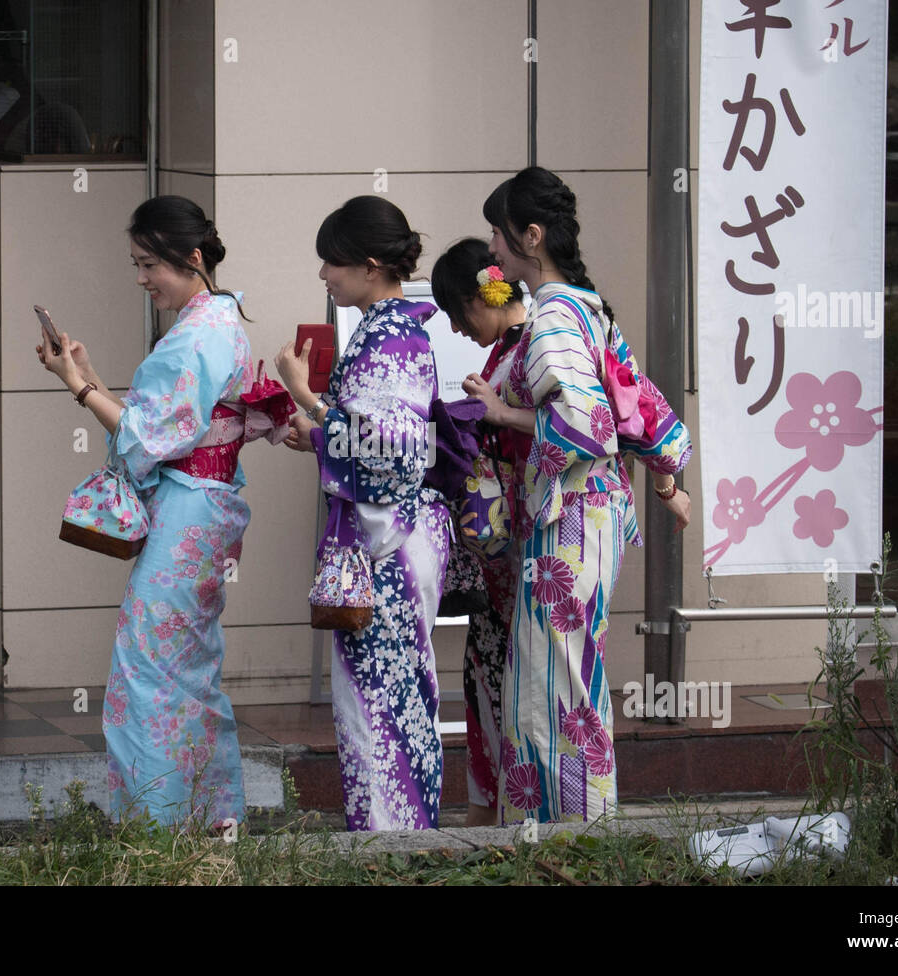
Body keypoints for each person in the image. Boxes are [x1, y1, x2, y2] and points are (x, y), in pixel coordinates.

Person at [38, 195, 267, 830]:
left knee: (150, 670)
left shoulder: (197, 335)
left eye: (149, 265)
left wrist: (78, 385)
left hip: (188, 511)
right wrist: (90, 376)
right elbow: (158, 427)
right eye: (137, 265)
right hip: (207, 507)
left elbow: (143, 441)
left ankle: (159, 825)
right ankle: (211, 821)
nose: (142, 279)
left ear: (192, 259)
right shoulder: (221, 322)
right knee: (187, 671)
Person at [476, 167, 693, 824]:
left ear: (532, 237)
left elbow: (582, 423)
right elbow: (636, 409)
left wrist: (503, 414)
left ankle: (573, 841)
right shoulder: (587, 306)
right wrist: (664, 481)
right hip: (594, 513)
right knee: (564, 681)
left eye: (499, 236)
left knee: (555, 688)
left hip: (567, 515)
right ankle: (569, 835)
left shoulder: (551, 316)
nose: (492, 252)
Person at [274, 196, 451, 831]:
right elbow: (376, 438)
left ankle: (390, 850)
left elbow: (392, 453)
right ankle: (401, 843)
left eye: (334, 264)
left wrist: (308, 399)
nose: (325, 275)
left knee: (381, 708)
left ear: (371, 266)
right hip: (397, 539)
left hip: (389, 545)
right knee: (395, 702)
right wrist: (318, 430)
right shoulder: (395, 330)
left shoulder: (389, 337)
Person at [430, 238, 532, 827]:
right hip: (504, 543)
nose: (456, 327)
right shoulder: (512, 351)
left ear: (480, 298)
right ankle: (487, 805)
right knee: (488, 669)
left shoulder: (531, 349)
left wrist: (484, 418)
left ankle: (503, 808)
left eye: (456, 312)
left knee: (507, 673)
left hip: (521, 537)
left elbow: (570, 427)